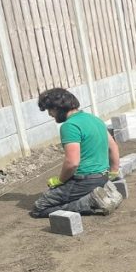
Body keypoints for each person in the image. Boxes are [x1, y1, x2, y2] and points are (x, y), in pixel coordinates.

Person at [30, 87, 123, 218]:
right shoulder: (94, 119)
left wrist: (60, 180)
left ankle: (89, 202)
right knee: (65, 196)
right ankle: (101, 192)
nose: (50, 114)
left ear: (57, 108)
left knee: (39, 208)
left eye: (50, 110)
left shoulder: (70, 126)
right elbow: (113, 147)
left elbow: (72, 162)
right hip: (102, 177)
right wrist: (113, 172)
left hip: (84, 180)